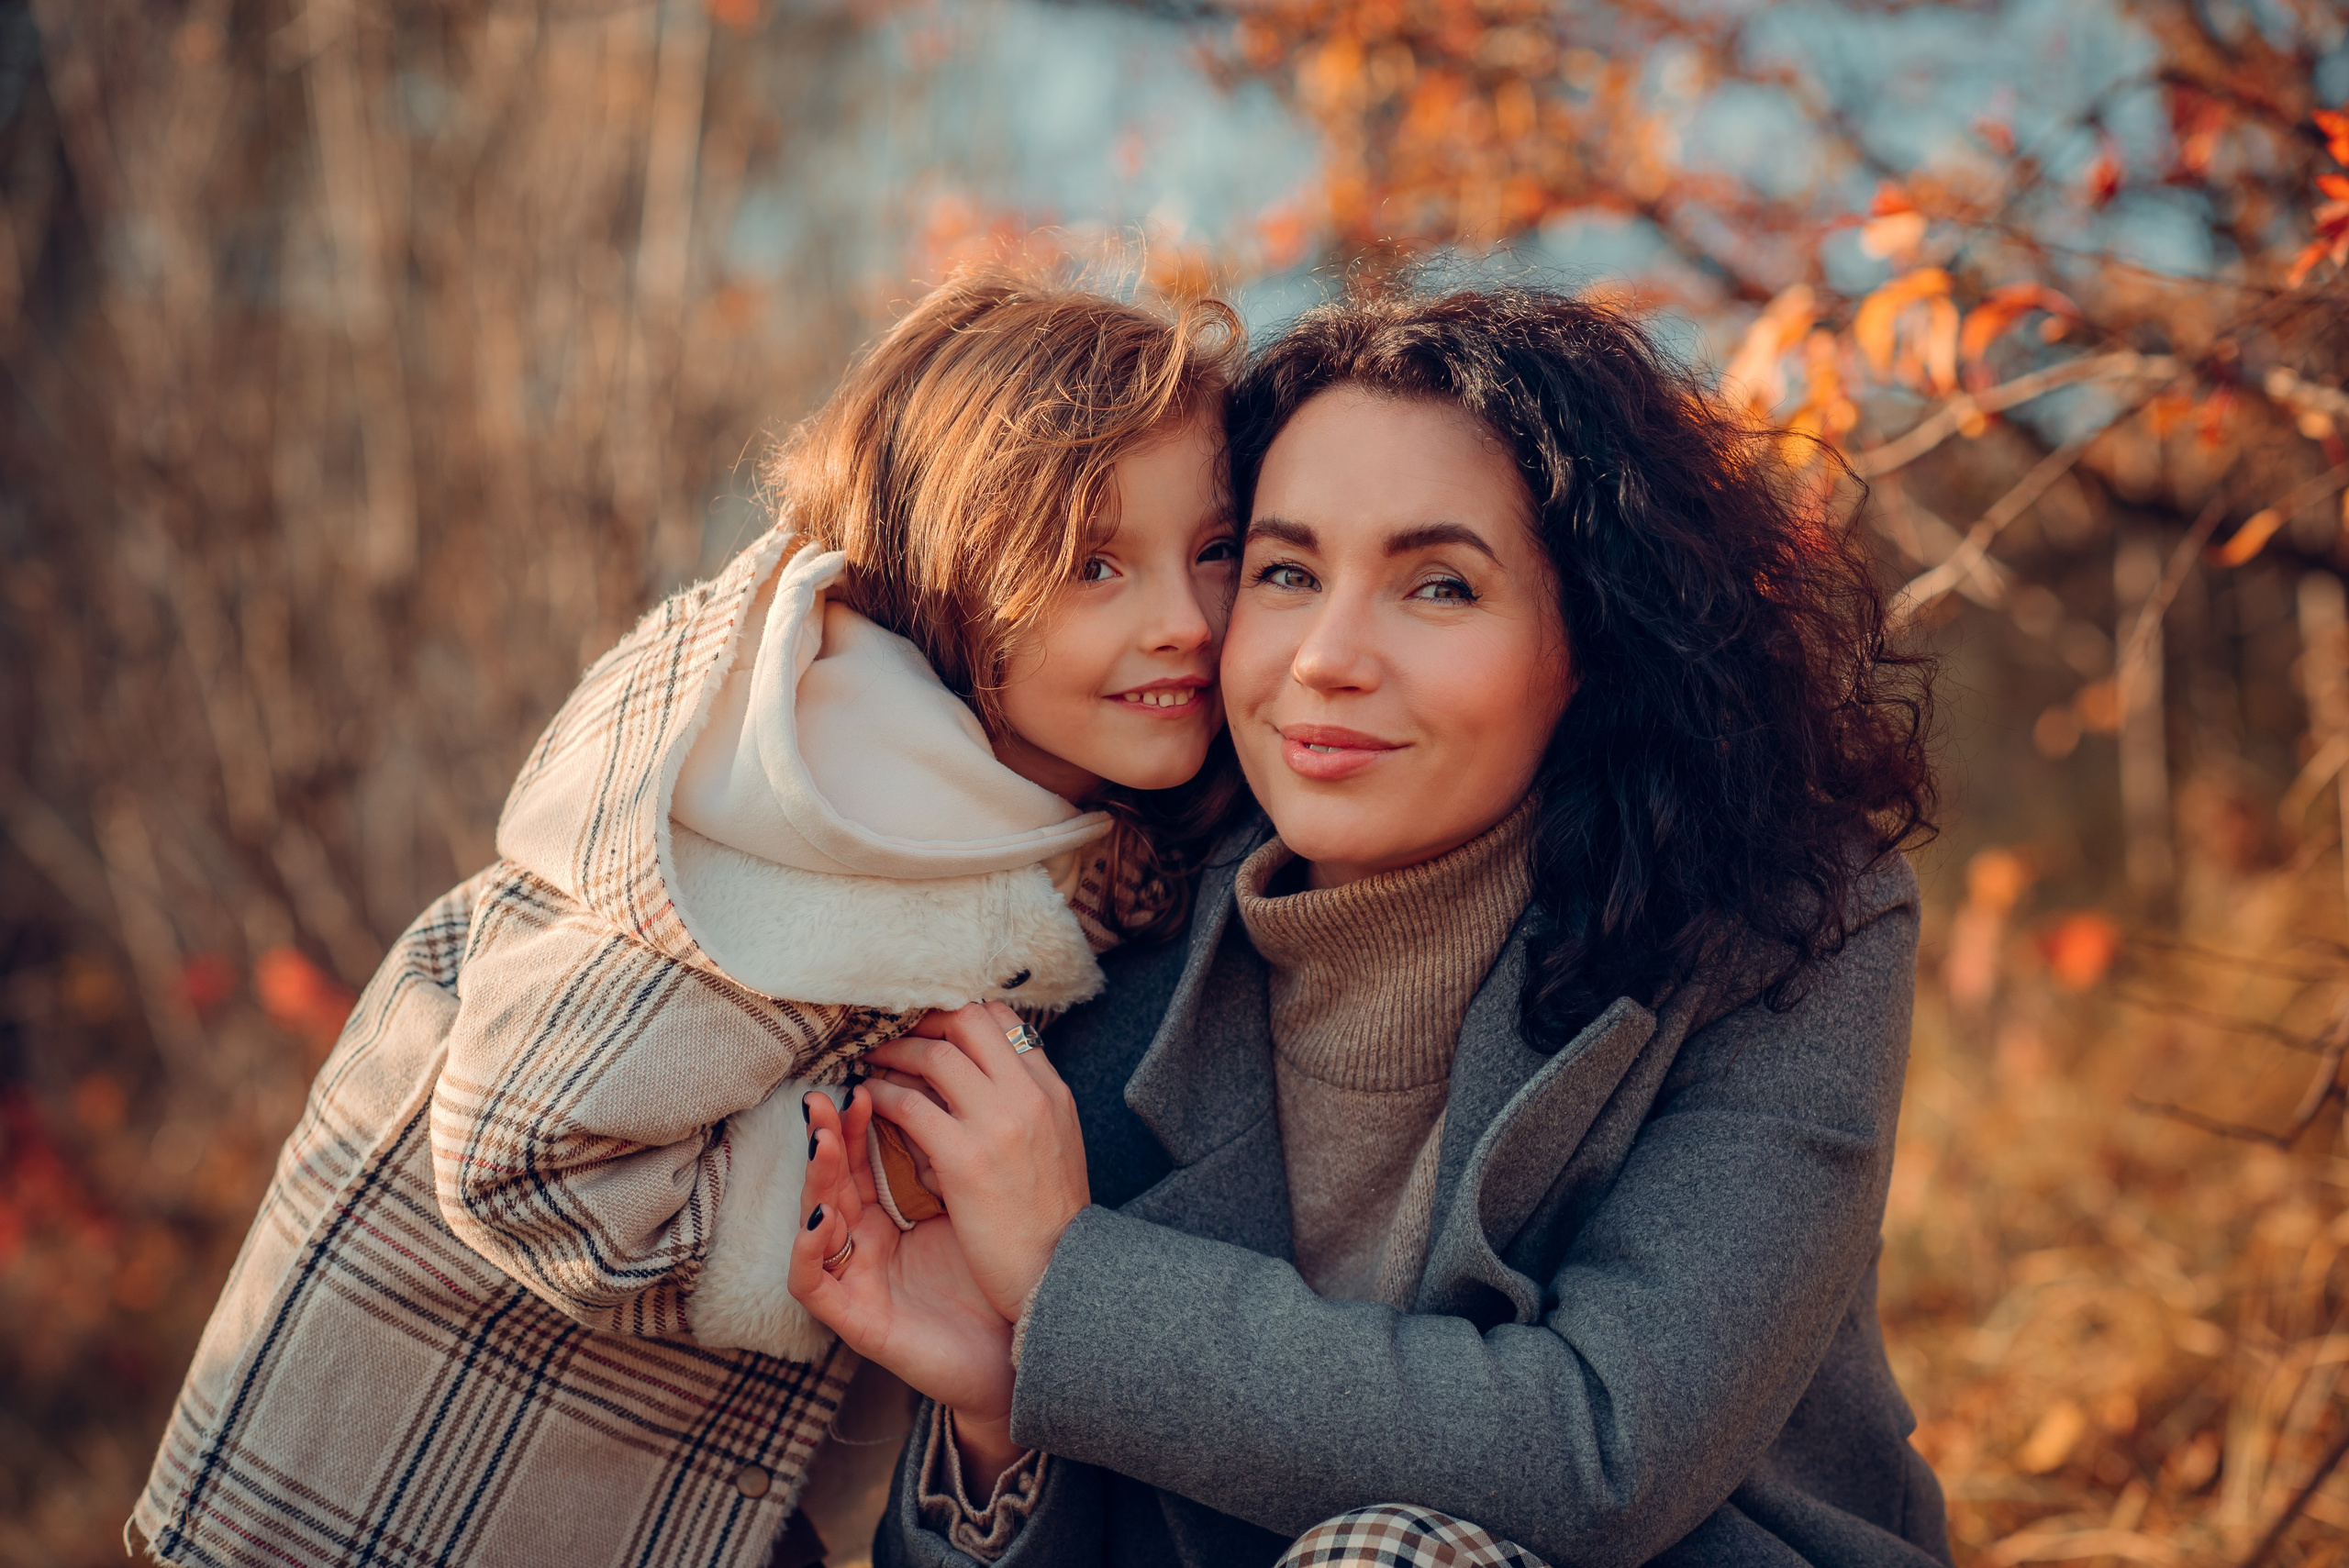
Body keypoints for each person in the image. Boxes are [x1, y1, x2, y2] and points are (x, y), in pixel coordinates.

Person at [790, 282, 1948, 1568]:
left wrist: (1074, 1279)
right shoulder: (1112, 946)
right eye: (1284, 572)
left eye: (1439, 586)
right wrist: (998, 1414)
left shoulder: (1785, 925)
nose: (1325, 657)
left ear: (1595, 640)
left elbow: (1605, 1455)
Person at [129, 265, 1251, 1568]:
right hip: (394, 1495)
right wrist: (876, 1209)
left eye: (1215, 552)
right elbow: (524, 1151)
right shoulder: (835, 805)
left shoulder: (1029, 817)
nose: (1186, 622)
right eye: (1093, 565)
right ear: (948, 578)